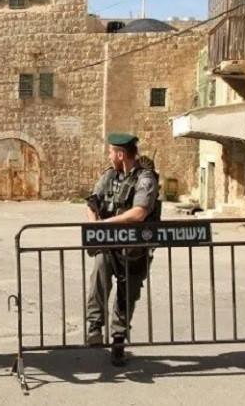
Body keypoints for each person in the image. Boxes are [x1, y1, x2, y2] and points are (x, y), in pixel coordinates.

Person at [84, 133, 160, 366]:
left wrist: (105, 224)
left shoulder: (145, 178)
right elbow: (92, 202)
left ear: (120, 154)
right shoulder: (110, 175)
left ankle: (118, 341)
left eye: (111, 152)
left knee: (127, 293)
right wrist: (95, 225)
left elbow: (139, 212)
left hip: (134, 247)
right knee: (99, 273)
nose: (108, 156)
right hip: (109, 245)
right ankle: (95, 326)